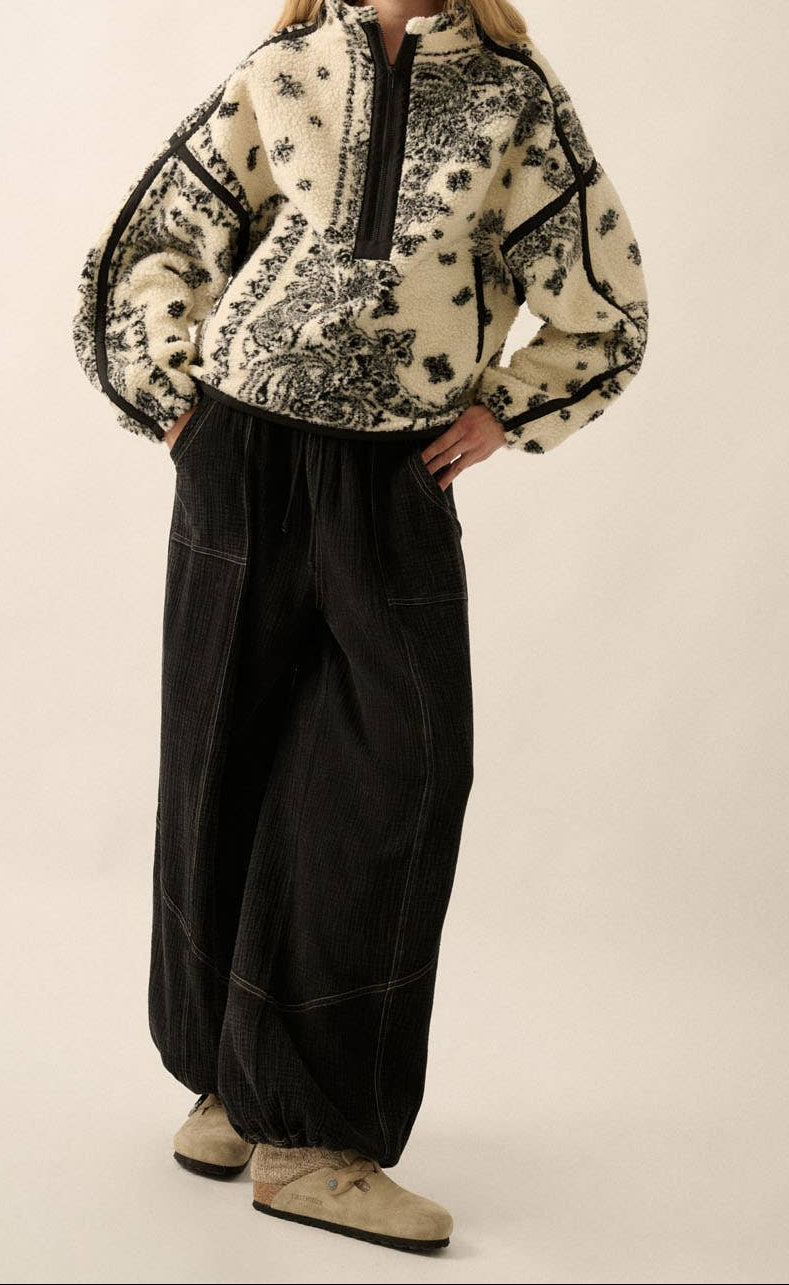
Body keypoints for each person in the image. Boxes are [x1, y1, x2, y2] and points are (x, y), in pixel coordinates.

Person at [72, 0, 648, 1254]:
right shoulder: (283, 67)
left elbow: (604, 304)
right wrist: (178, 402)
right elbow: (152, 242)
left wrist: (506, 408)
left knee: (397, 768)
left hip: (393, 472)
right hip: (241, 449)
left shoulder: (512, 95)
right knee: (224, 746)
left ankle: (311, 1130)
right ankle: (232, 1087)